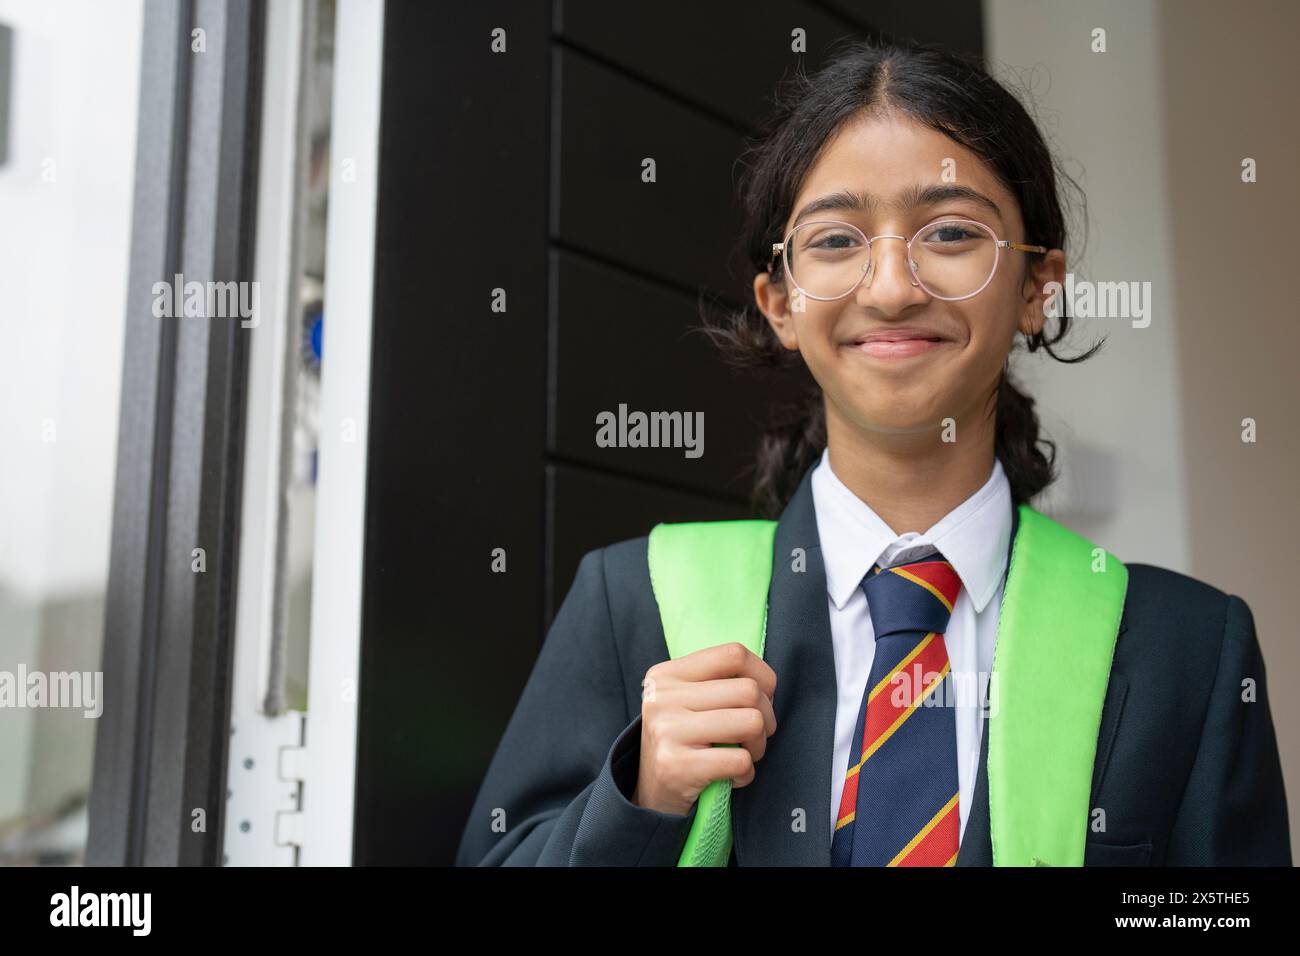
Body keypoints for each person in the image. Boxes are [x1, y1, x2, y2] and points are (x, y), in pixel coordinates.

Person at [454, 38, 1290, 867]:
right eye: (836, 241)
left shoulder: (1185, 650)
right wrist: (635, 799)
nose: (891, 289)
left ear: (1038, 287)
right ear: (779, 302)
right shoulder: (637, 604)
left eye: (951, 232)